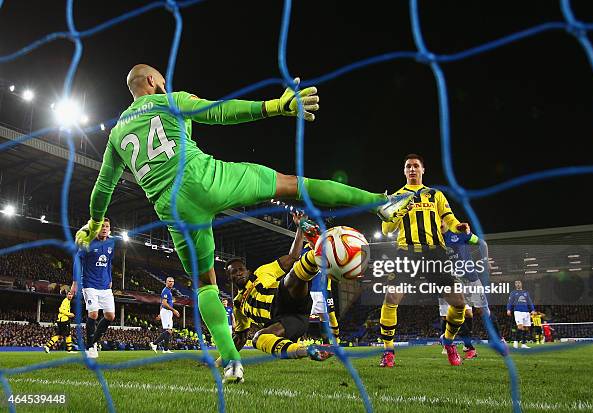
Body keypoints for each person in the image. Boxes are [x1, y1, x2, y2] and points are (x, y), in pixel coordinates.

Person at [75, 64, 411, 382]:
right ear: (150, 82)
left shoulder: (117, 134)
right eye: (161, 79)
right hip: (203, 178)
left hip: (172, 208)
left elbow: (104, 187)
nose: (164, 82)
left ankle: (231, 360)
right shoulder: (167, 101)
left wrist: (93, 222)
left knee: (204, 284)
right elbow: (219, 112)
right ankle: (379, 202)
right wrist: (276, 106)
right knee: (294, 184)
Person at [378, 154, 470, 367]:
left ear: (422, 170)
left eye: (415, 166)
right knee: (391, 298)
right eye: (408, 166)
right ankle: (388, 352)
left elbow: (449, 218)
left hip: (435, 252)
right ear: (404, 171)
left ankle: (448, 341)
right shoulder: (395, 197)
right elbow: (386, 228)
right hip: (406, 252)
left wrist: (459, 227)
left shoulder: (435, 194)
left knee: (459, 303)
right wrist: (401, 210)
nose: (412, 169)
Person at [223, 212, 333, 365]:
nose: (239, 273)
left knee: (294, 274)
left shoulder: (262, 271)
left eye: (240, 269)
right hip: (287, 320)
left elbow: (292, 257)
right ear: (230, 278)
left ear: (247, 270)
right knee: (258, 338)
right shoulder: (238, 304)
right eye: (233, 272)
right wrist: (223, 359)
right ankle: (308, 351)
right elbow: (240, 338)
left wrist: (300, 228)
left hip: (284, 297)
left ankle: (318, 252)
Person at [437, 220, 504, 359]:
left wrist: (485, 261)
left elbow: (482, 243)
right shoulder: (433, 241)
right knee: (463, 313)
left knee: (482, 311)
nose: (439, 222)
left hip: (471, 279)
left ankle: (497, 340)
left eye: (441, 219)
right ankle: (468, 346)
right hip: (452, 283)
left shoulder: (459, 235)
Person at [71, 218, 115, 359]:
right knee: (94, 314)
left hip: (105, 285)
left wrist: (110, 278)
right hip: (89, 284)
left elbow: (109, 262)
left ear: (109, 229)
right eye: (102, 226)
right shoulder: (88, 242)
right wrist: (75, 282)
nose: (104, 228)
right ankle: (90, 345)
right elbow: (78, 260)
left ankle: (93, 341)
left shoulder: (111, 242)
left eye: (107, 226)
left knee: (110, 316)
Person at [150, 277, 180, 354]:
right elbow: (164, 303)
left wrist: (160, 314)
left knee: (169, 331)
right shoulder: (165, 291)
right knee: (168, 331)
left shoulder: (169, 291)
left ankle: (166, 349)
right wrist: (174, 310)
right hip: (167, 312)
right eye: (169, 281)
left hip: (167, 312)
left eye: (172, 281)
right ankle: (154, 343)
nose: (171, 283)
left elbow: (161, 304)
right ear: (166, 282)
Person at [507, 280, 535, 349]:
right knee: (520, 327)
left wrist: (533, 310)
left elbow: (529, 302)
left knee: (526, 328)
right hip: (518, 311)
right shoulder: (513, 293)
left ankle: (523, 344)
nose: (518, 284)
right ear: (515, 285)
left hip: (526, 312)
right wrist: (508, 309)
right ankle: (516, 342)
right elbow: (510, 302)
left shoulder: (526, 293)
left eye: (519, 283)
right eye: (516, 283)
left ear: (521, 284)